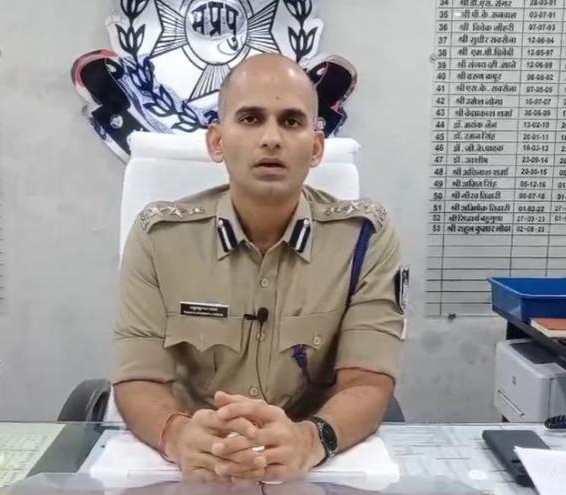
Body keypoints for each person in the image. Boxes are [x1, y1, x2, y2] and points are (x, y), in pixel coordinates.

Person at [112, 53, 407, 482]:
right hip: (198, 470)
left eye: (291, 121)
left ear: (316, 147)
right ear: (217, 141)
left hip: (308, 472)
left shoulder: (365, 238)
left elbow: (367, 382)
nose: (271, 138)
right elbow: (138, 379)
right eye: (251, 119)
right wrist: (178, 436)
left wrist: (310, 440)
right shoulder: (157, 237)